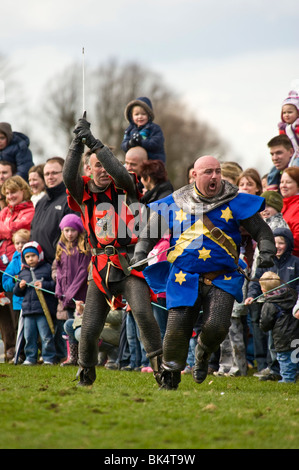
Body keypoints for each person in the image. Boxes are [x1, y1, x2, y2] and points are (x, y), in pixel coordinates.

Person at [132, 155, 276, 390]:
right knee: (176, 331)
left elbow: (262, 231)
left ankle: (202, 354)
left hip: (223, 277)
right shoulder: (175, 201)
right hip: (183, 277)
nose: (215, 176)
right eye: (209, 171)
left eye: (218, 171)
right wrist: (140, 253)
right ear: (195, 175)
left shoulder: (236, 201)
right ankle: (170, 376)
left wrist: (268, 251)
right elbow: (150, 233)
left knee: (217, 326)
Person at [63, 115, 163, 386]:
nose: (103, 170)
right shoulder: (82, 190)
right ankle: (86, 370)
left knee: (142, 312)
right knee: (91, 323)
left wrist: (94, 143)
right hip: (99, 266)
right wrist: (76, 143)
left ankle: (161, 369)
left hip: (129, 260)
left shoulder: (125, 183)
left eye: (106, 164)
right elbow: (66, 175)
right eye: (97, 166)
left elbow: (118, 171)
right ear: (88, 168)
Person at [245, 227, 299, 380]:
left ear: (288, 244)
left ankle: (293, 370)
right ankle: (275, 370)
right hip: (274, 310)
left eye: (281, 243)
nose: (278, 246)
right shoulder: (266, 262)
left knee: (294, 342)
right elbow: (256, 282)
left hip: (292, 311)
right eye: (274, 243)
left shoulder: (295, 263)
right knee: (273, 342)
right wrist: (251, 296)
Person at [55, 214, 91, 365]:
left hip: (80, 296)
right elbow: (59, 271)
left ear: (79, 231)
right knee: (69, 326)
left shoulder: (83, 248)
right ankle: (73, 357)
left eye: (73, 230)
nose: (69, 234)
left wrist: (71, 293)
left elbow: (83, 272)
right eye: (66, 230)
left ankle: (85, 356)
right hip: (66, 298)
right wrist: (59, 289)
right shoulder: (61, 247)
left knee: (81, 325)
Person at [13, 241, 57, 365]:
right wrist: (20, 287)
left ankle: (48, 357)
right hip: (28, 311)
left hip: (43, 310)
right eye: (27, 257)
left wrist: (44, 285)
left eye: (33, 255)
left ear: (39, 255)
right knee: (29, 336)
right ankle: (30, 358)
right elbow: (17, 292)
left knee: (46, 335)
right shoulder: (23, 273)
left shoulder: (47, 269)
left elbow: (54, 286)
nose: (30, 259)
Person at [30, 157, 76, 265]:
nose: (50, 177)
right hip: (38, 266)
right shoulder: (41, 201)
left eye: (54, 173)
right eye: (47, 174)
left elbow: (74, 237)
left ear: (64, 173)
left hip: (59, 266)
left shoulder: (70, 200)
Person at [258, 272, 299, 383]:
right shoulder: (293, 294)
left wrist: (262, 326)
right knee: (295, 355)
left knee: (285, 358)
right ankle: (294, 375)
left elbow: (265, 323)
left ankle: (287, 379)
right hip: (296, 332)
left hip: (282, 336)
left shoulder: (269, 304)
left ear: (264, 290)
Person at [0, 175, 34, 276]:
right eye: (7, 193)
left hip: (18, 264)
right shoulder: (6, 211)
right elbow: (10, 229)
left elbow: (12, 230)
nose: (10, 196)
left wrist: (6, 227)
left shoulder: (30, 211)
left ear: (23, 191)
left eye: (13, 192)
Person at [121, 97, 166, 162]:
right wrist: (130, 144)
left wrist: (141, 142)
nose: (140, 117)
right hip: (135, 162)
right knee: (124, 168)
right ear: (131, 116)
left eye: (143, 114)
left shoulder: (154, 128)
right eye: (136, 114)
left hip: (153, 161)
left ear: (149, 115)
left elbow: (156, 143)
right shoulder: (129, 130)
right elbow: (123, 145)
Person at [2, 229, 31, 328]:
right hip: (19, 303)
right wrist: (15, 279)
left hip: (34, 303)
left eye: (23, 242)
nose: (20, 245)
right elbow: (6, 283)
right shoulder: (14, 262)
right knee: (19, 329)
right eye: (17, 243)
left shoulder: (35, 258)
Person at [280, 167, 299, 257]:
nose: (283, 185)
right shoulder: (282, 205)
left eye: (288, 182)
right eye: (282, 182)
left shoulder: (297, 206)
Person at [278, 90, 299, 159]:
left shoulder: (297, 126)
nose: (286, 115)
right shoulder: (284, 128)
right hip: (290, 155)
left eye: (290, 112)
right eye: (284, 113)